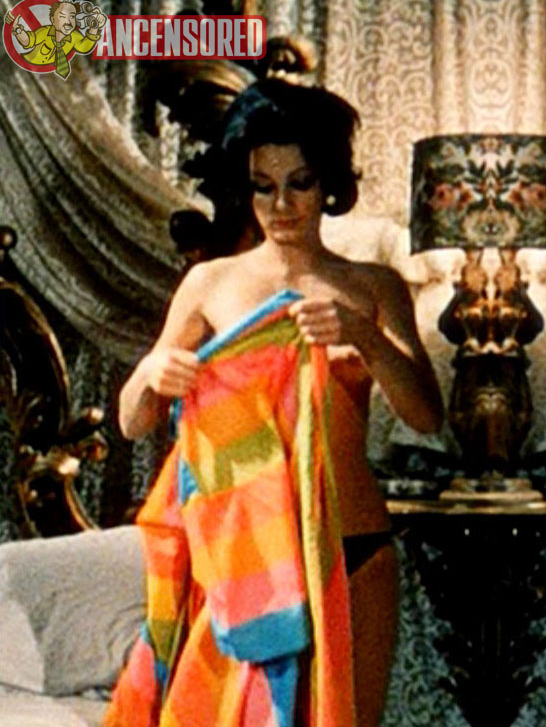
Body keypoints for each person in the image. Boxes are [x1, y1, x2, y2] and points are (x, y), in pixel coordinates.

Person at [104, 78, 443, 727]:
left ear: (330, 184)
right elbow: (132, 419)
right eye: (264, 186)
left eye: (300, 183)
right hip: (248, 560)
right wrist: (154, 372)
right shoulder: (209, 284)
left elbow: (426, 416)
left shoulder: (373, 286)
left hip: (355, 551)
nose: (281, 204)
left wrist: (364, 335)